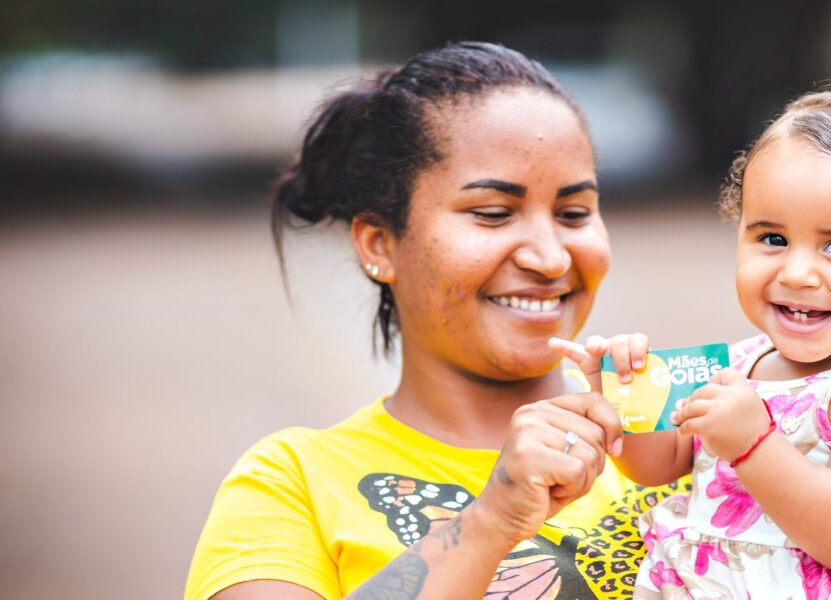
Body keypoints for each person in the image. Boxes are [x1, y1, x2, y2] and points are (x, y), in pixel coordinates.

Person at [184, 41, 686, 600]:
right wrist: (491, 520)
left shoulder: (684, 449)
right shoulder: (292, 483)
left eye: (574, 214)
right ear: (380, 244)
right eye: (493, 214)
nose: (550, 258)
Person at [553, 86, 831, 598]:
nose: (796, 272)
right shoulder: (742, 362)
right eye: (772, 238)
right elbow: (661, 466)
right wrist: (626, 393)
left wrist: (754, 445)